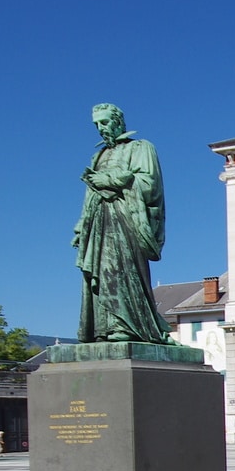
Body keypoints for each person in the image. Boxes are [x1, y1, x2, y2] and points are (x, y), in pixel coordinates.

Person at [72, 104, 175, 344]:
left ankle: (125, 326)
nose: (101, 128)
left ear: (119, 121)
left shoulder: (141, 148)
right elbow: (89, 196)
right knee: (99, 273)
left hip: (124, 217)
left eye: (105, 122)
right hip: (97, 221)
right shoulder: (97, 156)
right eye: (97, 124)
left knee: (118, 270)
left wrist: (109, 180)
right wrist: (80, 227)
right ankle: (102, 328)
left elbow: (148, 184)